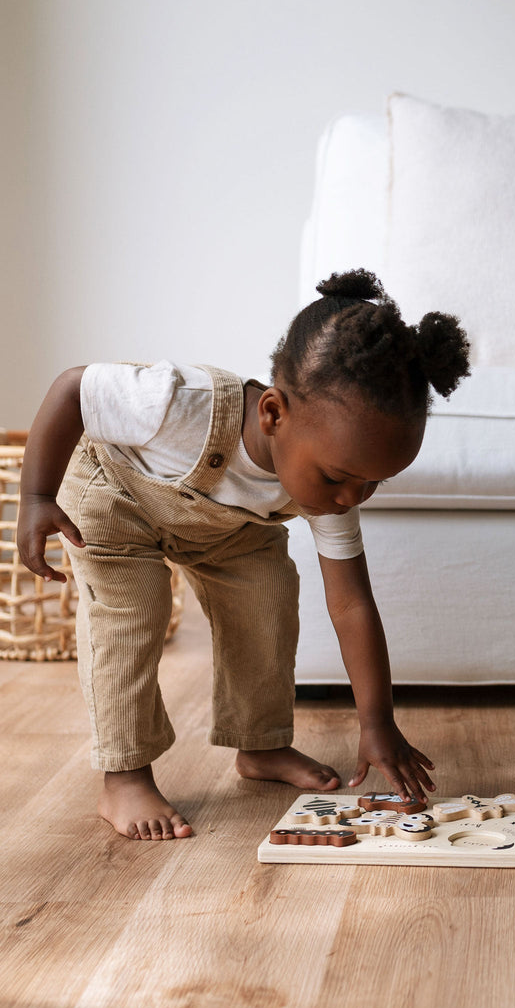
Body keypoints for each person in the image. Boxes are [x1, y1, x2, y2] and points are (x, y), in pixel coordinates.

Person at [17, 269, 470, 842]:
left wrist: (376, 721)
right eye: (338, 478)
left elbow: (352, 603)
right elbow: (72, 389)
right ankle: (124, 775)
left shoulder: (336, 487)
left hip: (230, 532)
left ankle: (261, 746)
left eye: (371, 484)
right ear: (273, 414)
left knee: (267, 599)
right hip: (117, 499)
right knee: (132, 616)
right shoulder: (180, 404)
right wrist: (36, 498)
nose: (350, 498)